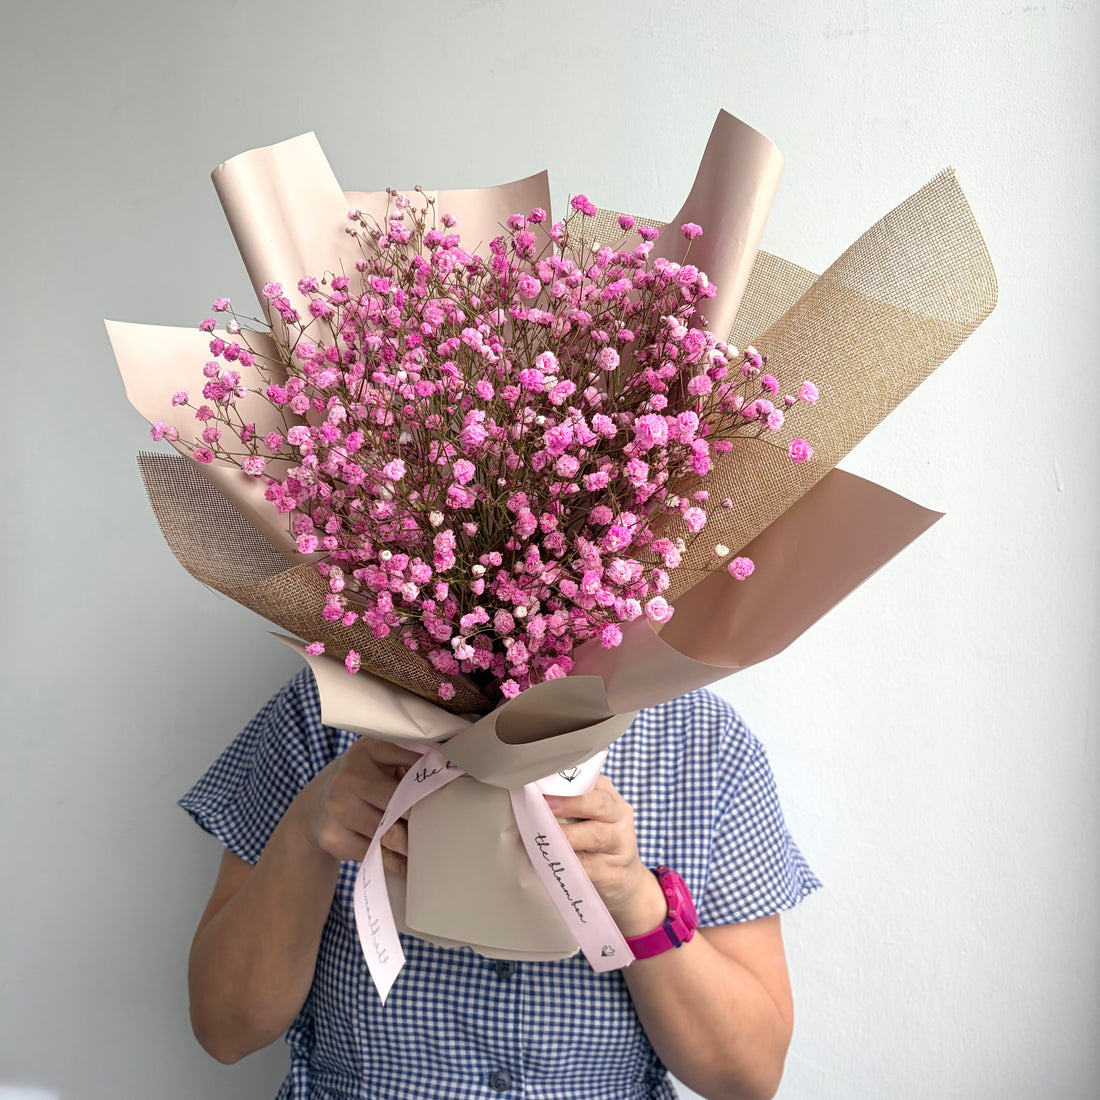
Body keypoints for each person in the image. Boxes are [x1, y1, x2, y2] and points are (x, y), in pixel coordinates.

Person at [181, 666, 820, 1100]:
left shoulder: (703, 743)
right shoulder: (328, 711)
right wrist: (306, 830)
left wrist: (635, 901)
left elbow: (747, 1076)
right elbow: (224, 1030)